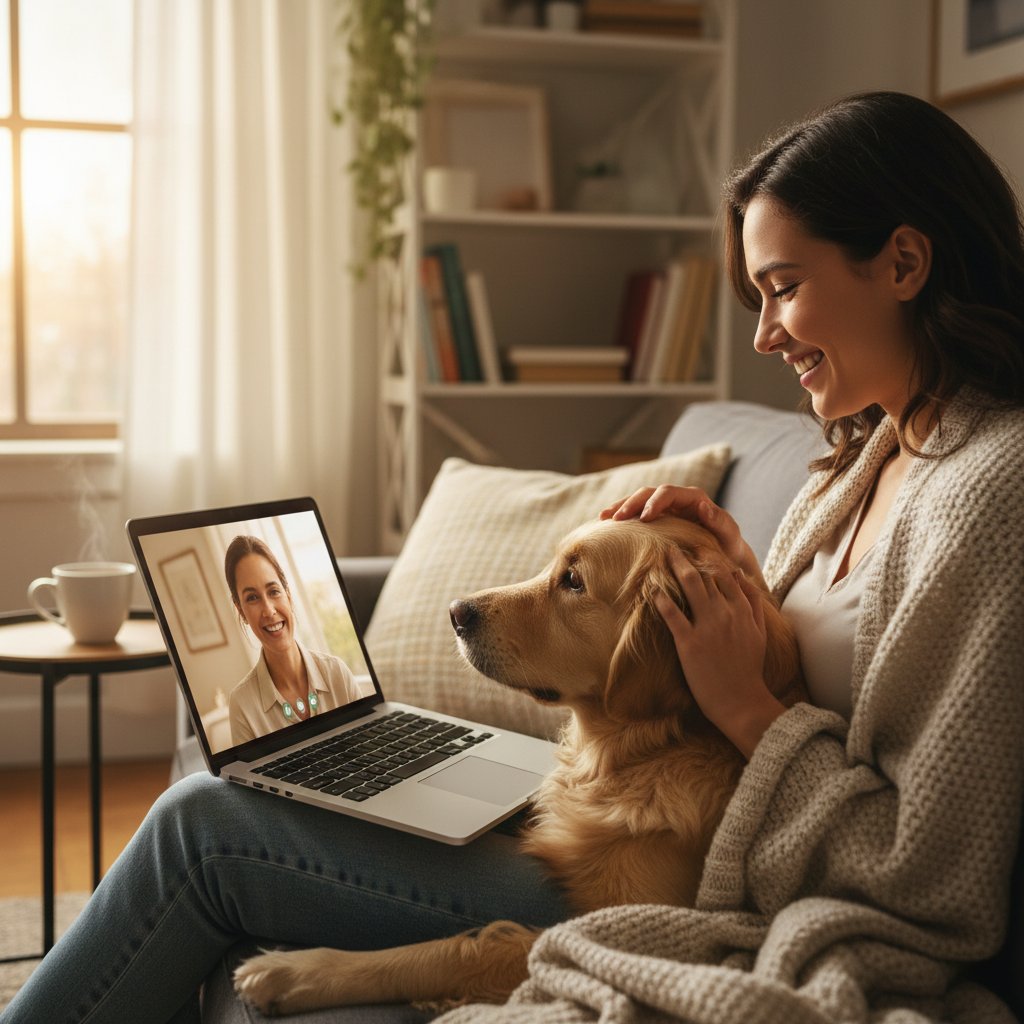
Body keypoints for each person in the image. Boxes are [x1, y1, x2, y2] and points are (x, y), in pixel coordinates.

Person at [2, 91, 1021, 1024]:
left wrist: (746, 708)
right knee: (265, 790)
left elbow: (922, 874)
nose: (761, 334)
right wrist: (732, 567)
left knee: (204, 826)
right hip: (661, 821)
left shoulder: (987, 492)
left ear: (900, 262)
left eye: (782, 287)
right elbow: (811, 664)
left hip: (717, 886)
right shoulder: (866, 454)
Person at [222, 535, 368, 746]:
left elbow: (366, 748)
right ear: (241, 611)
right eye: (252, 598)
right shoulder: (243, 705)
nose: (269, 610)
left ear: (288, 595)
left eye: (273, 591)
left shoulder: (337, 673)